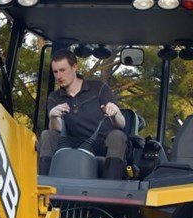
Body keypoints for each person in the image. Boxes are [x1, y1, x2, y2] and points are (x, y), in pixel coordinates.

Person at [37, 49, 129, 178]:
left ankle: (112, 184)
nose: (58, 76)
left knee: (117, 136)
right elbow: (56, 129)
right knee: (47, 134)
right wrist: (53, 116)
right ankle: (44, 184)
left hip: (100, 143)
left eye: (62, 70)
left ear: (75, 67)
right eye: (55, 72)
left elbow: (121, 124)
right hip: (70, 144)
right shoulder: (54, 97)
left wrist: (115, 113)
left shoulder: (99, 88)